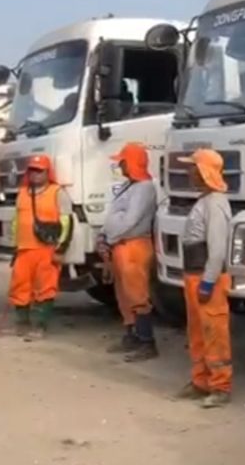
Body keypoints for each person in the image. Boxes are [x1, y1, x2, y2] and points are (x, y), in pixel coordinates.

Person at [176, 148, 232, 408]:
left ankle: (220, 386)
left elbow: (217, 249)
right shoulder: (206, 201)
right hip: (194, 276)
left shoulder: (216, 203)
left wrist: (208, 282)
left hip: (205, 278)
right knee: (197, 331)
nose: (190, 173)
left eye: (194, 168)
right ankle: (201, 381)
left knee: (214, 331)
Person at [97, 142, 158, 362]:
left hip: (134, 245)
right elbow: (115, 215)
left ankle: (147, 342)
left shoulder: (145, 188)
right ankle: (131, 334)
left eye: (122, 161)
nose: (119, 165)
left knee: (137, 295)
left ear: (130, 162)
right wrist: (104, 235)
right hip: (120, 245)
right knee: (123, 295)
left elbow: (130, 220)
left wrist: (110, 235)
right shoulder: (129, 186)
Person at [8, 154, 72, 340]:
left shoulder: (57, 192)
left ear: (47, 172)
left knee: (45, 289)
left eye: (39, 170)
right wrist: (15, 245)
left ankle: (40, 326)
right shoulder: (23, 192)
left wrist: (61, 249)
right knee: (19, 288)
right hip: (23, 249)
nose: (35, 174)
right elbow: (16, 221)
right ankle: (22, 324)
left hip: (47, 249)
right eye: (32, 170)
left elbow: (67, 222)